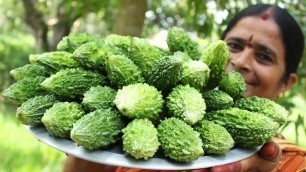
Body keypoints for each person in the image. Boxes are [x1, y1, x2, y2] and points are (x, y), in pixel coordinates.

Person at [63, 3, 306, 172]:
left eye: (264, 57)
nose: (241, 61)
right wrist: (87, 150)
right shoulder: (138, 138)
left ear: (287, 82)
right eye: (233, 45)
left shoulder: (296, 164)